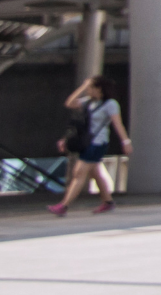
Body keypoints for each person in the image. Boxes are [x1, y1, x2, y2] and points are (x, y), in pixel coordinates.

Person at [48, 75, 129, 217]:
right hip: (87, 142)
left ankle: (64, 206)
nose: (89, 90)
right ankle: (108, 202)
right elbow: (70, 103)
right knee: (95, 173)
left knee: (79, 173)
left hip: (98, 143)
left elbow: (118, 124)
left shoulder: (110, 104)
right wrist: (83, 87)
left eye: (91, 87)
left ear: (99, 89)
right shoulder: (88, 103)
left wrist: (125, 142)